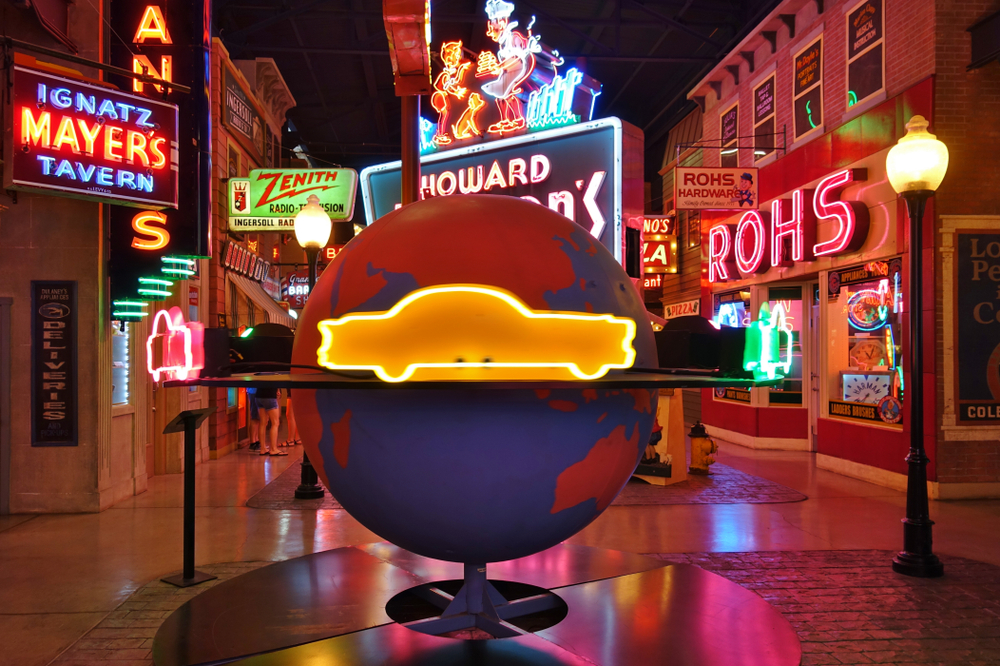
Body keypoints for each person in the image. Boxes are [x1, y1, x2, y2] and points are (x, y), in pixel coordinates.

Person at [255, 386, 287, 456]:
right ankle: (273, 449)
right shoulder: (273, 374)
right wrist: (278, 389)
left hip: (258, 396)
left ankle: (262, 449)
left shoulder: (261, 374)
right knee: (275, 423)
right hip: (270, 396)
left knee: (263, 422)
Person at [247, 387, 260, 452]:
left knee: (258, 417)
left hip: (257, 391)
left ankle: (256, 440)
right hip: (253, 391)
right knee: (254, 416)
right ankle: (252, 443)